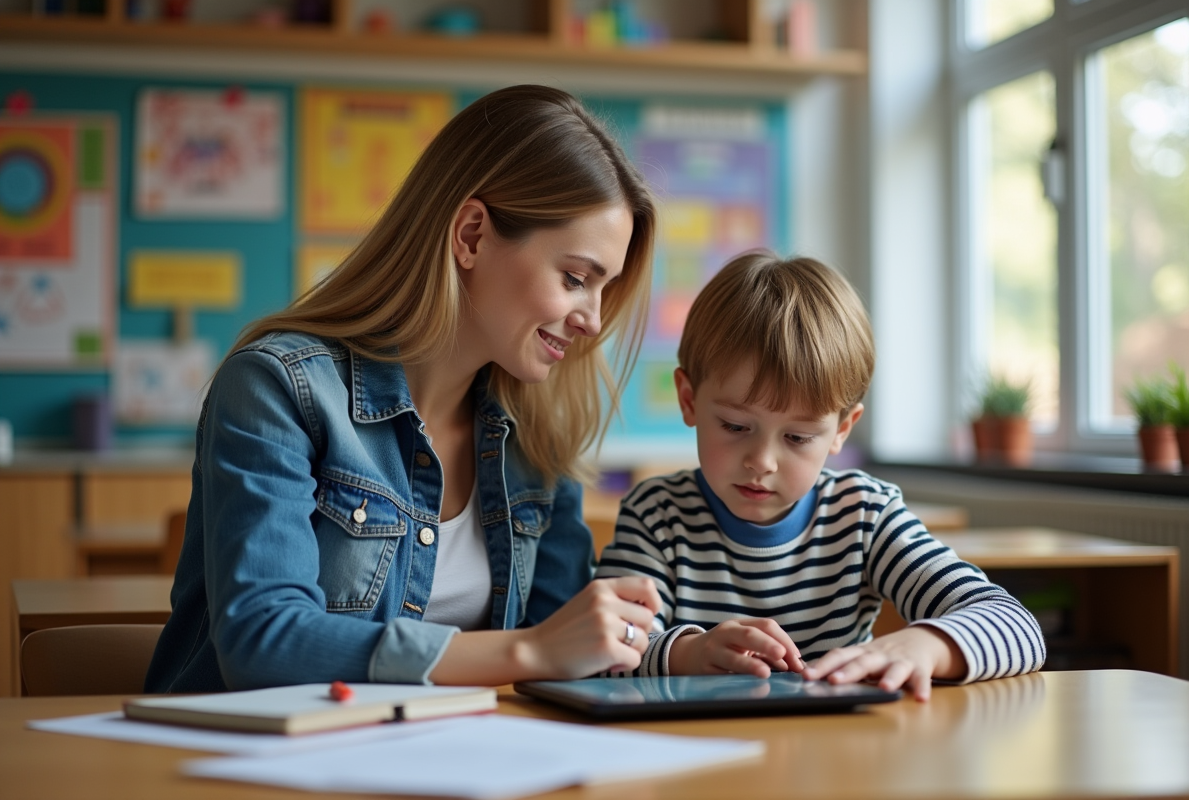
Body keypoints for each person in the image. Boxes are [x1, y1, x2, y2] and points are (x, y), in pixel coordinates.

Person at [145, 85, 664, 693]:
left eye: (605, 289)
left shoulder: (538, 434)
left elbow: (569, 654)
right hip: (256, 749)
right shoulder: (278, 387)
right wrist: (528, 650)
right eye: (575, 278)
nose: (594, 321)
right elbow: (264, 643)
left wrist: (682, 650)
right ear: (471, 236)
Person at [595, 252, 1045, 700]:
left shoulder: (864, 516)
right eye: (735, 426)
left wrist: (925, 644)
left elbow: (1017, 627)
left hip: (835, 745)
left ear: (841, 430)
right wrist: (687, 654)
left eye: (797, 437)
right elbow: (598, 652)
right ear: (689, 400)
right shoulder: (656, 516)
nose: (762, 461)